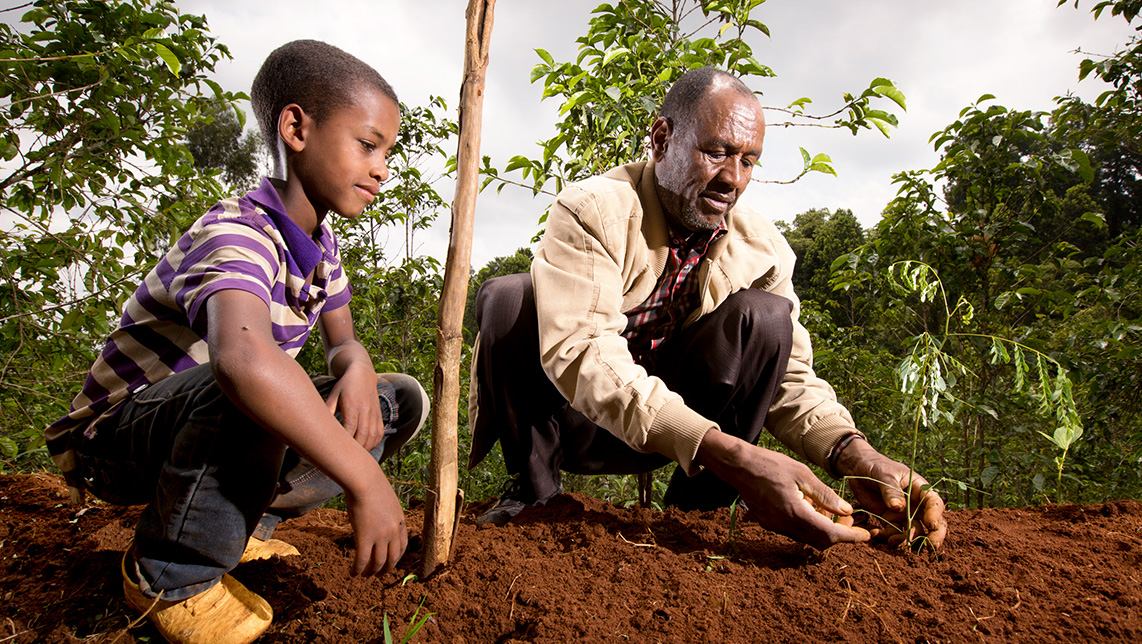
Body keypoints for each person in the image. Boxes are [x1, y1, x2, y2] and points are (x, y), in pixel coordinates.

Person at [44, 40, 428, 644]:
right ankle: (172, 576)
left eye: (388, 151)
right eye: (368, 144)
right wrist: (365, 479)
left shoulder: (321, 252)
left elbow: (343, 343)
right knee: (258, 379)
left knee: (393, 401)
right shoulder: (237, 234)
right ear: (297, 127)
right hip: (116, 444)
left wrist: (355, 367)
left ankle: (244, 522)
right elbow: (242, 362)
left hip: (211, 430)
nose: (383, 167)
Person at [469, 68, 947, 552]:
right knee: (509, 298)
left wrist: (854, 453)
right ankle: (535, 493)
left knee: (766, 317)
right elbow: (583, 355)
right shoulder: (593, 210)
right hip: (573, 420)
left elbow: (791, 381)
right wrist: (734, 455)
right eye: (716, 152)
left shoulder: (764, 250)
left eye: (748, 161)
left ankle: (703, 516)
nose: (732, 179)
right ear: (661, 140)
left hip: (686, 442)